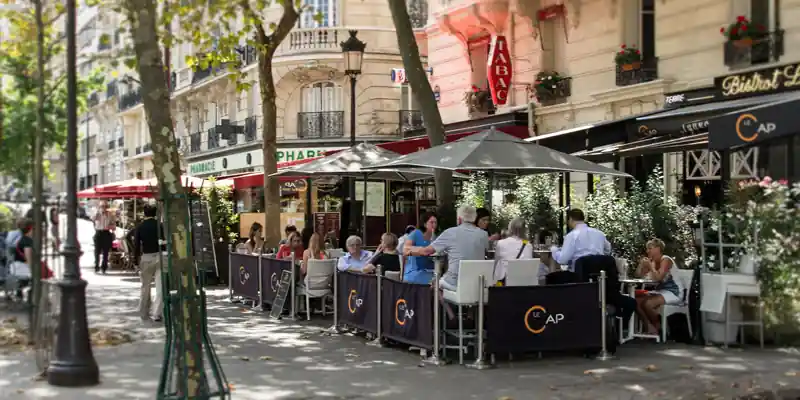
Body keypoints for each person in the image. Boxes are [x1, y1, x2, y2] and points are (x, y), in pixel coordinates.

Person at [406, 205, 489, 291]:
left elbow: (426, 251)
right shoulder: (484, 235)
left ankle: (441, 304)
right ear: (474, 219)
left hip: (454, 283)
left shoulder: (450, 232)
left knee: (435, 283)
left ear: (459, 219)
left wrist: (409, 249)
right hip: (476, 284)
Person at [635, 238, 683, 335]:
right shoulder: (652, 262)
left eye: (650, 248)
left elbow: (658, 278)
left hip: (674, 292)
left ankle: (658, 327)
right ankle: (649, 326)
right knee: (635, 301)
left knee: (648, 304)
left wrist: (651, 267)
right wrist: (641, 266)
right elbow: (638, 276)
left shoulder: (666, 260)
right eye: (647, 249)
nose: (647, 251)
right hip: (661, 291)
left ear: (658, 249)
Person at [133, 205, 165, 322]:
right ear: (155, 213)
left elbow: (136, 246)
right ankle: (157, 313)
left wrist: (135, 262)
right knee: (160, 287)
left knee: (145, 286)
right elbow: (165, 242)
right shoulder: (160, 226)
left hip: (146, 257)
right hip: (160, 257)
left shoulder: (140, 227)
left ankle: (144, 312)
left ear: (144, 214)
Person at [493, 218, 533, 283]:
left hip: (505, 281)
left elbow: (496, 262)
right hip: (523, 281)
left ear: (510, 228)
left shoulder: (501, 243)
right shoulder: (528, 245)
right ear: (524, 230)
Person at [402, 213, 437, 284]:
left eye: (435, 222)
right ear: (425, 224)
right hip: (416, 270)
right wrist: (421, 250)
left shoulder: (435, 237)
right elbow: (405, 249)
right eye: (431, 222)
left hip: (430, 270)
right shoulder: (416, 234)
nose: (434, 225)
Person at [93, 201, 116, 274]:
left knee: (106, 252)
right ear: (100, 207)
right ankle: (96, 267)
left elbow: (114, 226)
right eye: (102, 206)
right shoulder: (97, 214)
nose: (104, 208)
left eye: (106, 206)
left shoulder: (110, 215)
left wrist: (109, 227)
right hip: (98, 233)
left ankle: (104, 268)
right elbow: (93, 218)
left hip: (106, 233)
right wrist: (97, 211)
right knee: (97, 251)